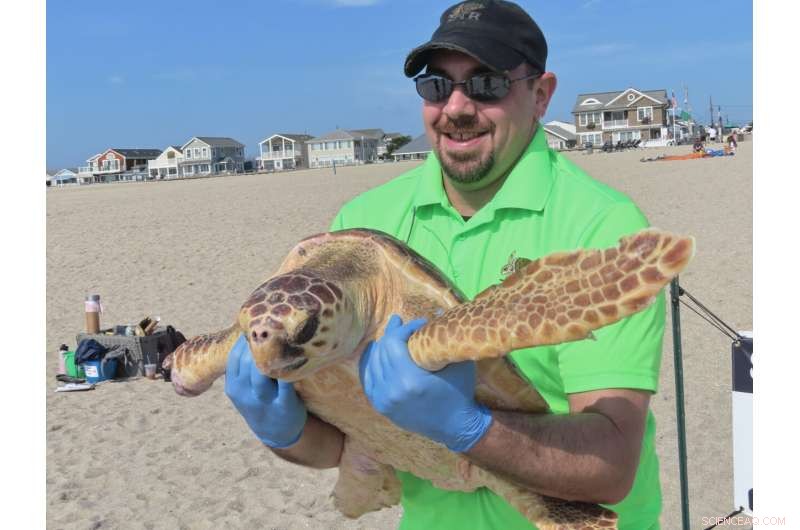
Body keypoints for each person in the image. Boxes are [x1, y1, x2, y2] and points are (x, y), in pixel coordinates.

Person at [224, 1, 666, 528]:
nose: (455, 106)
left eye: (487, 84)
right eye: (436, 85)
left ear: (541, 94)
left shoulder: (600, 228)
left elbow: (610, 468)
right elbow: (344, 444)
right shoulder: (361, 222)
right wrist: (285, 432)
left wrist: (469, 428)